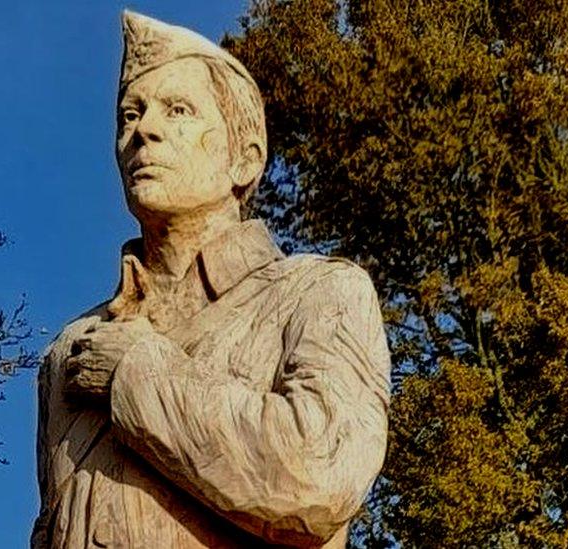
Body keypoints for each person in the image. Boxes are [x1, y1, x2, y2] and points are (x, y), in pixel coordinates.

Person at [32, 11, 391, 548]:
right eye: (130, 113)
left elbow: (321, 471)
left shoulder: (319, 292)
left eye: (177, 110)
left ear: (243, 160)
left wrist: (136, 375)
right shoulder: (69, 352)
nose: (143, 130)